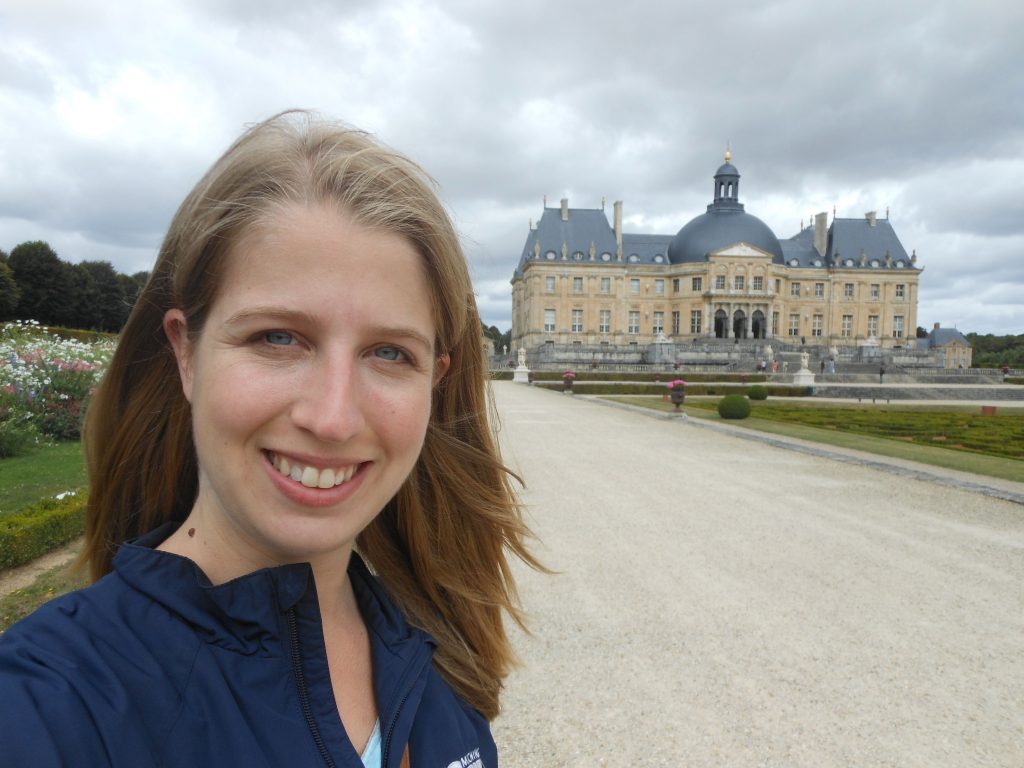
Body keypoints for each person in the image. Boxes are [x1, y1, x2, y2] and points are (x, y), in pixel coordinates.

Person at [0, 112, 540, 767]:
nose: (334, 417)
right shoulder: (48, 706)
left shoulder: (439, 655)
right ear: (186, 352)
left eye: (390, 353)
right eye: (277, 338)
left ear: (435, 380)